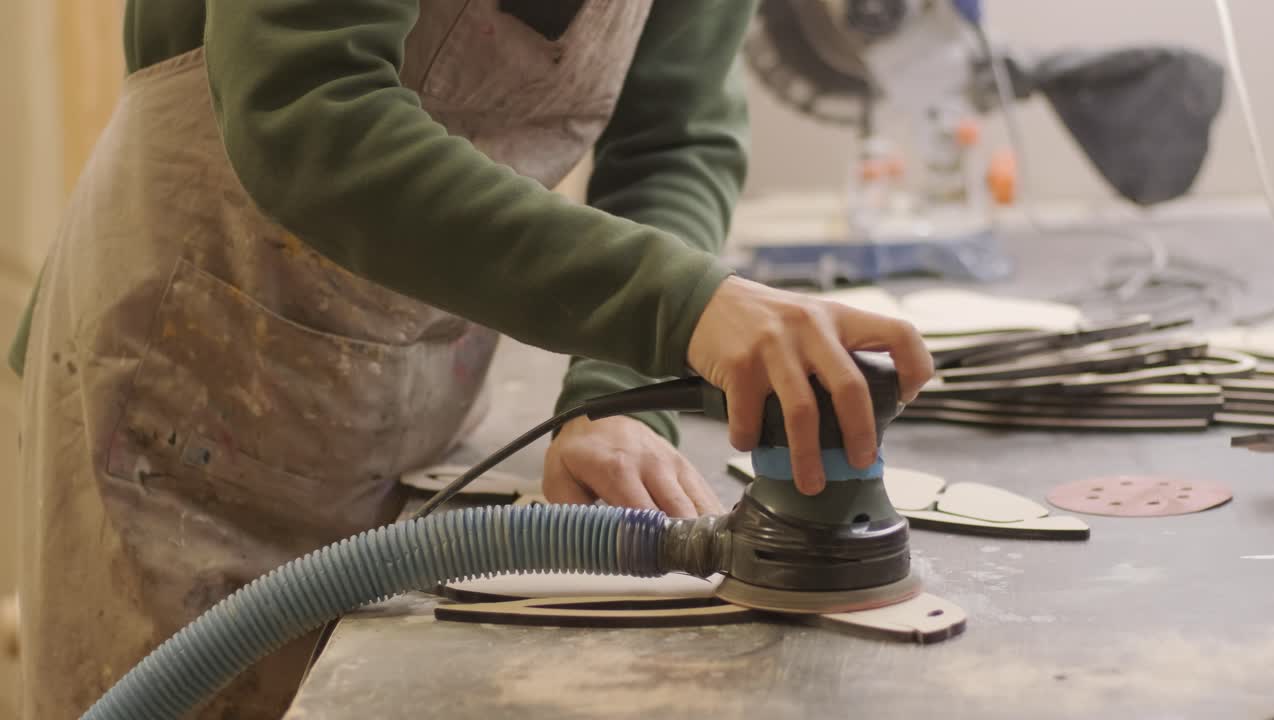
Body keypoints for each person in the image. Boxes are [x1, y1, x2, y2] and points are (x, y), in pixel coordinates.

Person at [9, 1, 933, 717]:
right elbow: (305, 110)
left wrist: (615, 400)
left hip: (403, 405)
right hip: (177, 395)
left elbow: (672, 139)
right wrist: (684, 307)